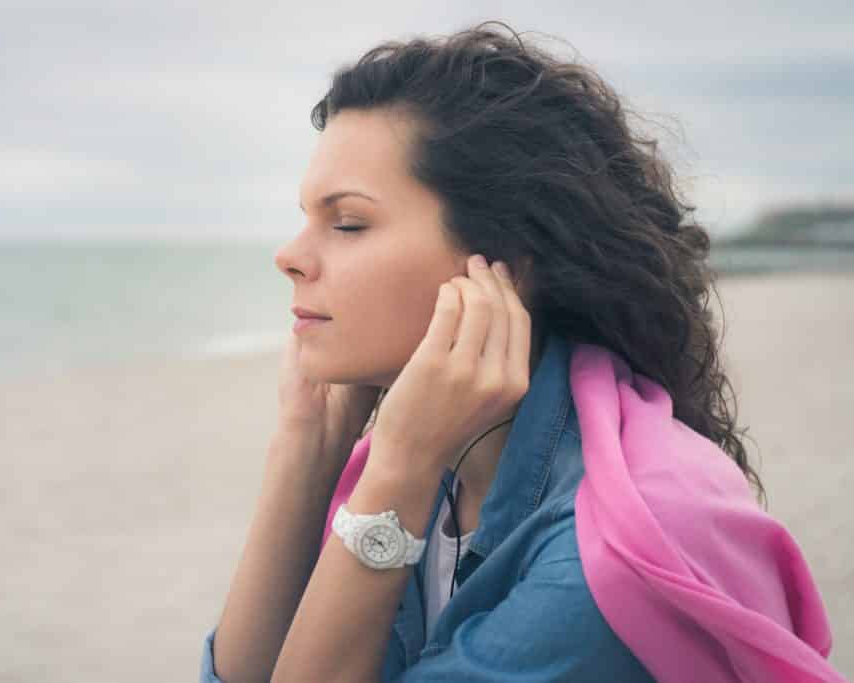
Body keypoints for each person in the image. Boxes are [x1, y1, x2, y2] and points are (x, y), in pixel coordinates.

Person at [199, 21, 838, 682]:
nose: (290, 256)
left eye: (348, 223)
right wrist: (305, 448)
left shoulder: (607, 557)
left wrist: (399, 465)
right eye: (304, 218)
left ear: (501, 264)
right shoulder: (449, 465)